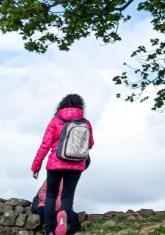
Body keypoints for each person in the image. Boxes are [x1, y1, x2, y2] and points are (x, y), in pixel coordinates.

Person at [31, 94, 94, 235]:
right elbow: (90, 144)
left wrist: (36, 166)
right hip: (76, 164)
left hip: (55, 163)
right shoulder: (85, 123)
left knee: (51, 196)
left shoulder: (55, 120)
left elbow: (45, 144)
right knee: (67, 196)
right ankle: (63, 217)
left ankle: (49, 230)